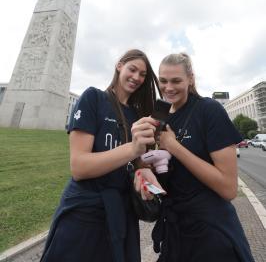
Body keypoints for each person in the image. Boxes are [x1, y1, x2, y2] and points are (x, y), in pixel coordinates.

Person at [40, 49, 161, 262]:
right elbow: (79, 167)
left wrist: (144, 172)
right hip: (85, 211)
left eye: (142, 74)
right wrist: (132, 149)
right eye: (132, 69)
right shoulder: (93, 98)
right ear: (119, 65)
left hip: (121, 212)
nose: (137, 78)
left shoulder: (135, 115)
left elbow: (135, 163)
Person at [135, 52, 255, 262]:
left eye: (176, 81)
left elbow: (228, 189)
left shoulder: (209, 110)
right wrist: (143, 167)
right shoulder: (161, 114)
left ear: (191, 79)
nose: (168, 88)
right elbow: (159, 163)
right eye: (163, 81)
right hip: (174, 232)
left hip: (211, 234)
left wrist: (174, 146)